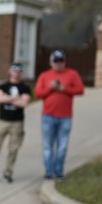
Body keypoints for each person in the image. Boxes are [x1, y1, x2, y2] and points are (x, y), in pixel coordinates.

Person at [34, 49, 85, 181]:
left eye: (60, 61)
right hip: (48, 116)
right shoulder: (44, 76)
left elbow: (80, 90)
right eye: (56, 61)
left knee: (62, 146)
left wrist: (65, 89)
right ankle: (49, 171)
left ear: (64, 62)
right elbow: (38, 94)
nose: (58, 64)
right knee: (47, 145)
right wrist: (50, 88)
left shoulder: (72, 74)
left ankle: (59, 171)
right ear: (51, 62)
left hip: (65, 116)